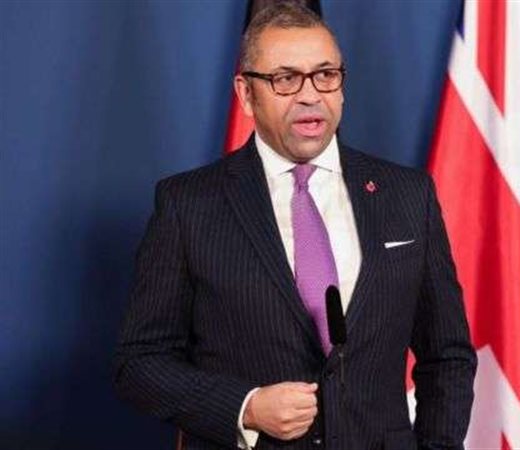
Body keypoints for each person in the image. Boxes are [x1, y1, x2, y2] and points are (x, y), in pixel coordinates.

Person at [112, 3, 477, 449]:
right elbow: (140, 363)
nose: (310, 95)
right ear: (246, 94)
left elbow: (448, 355)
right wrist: (245, 407)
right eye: (285, 79)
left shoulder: (408, 194)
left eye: (325, 75)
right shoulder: (188, 205)